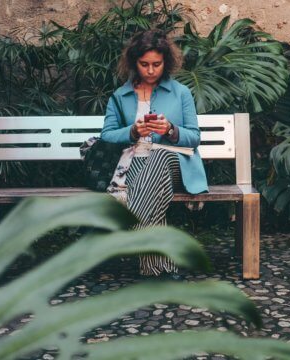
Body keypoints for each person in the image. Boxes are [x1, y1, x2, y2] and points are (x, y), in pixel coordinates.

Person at [100, 29, 208, 277]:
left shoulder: (181, 92)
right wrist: (133, 132)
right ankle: (157, 269)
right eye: (144, 64)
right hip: (134, 165)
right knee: (148, 184)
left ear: (166, 62)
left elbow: (194, 137)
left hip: (175, 164)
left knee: (157, 157)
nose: (150, 70)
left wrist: (170, 130)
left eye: (156, 64)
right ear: (133, 62)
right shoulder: (120, 96)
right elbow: (107, 136)